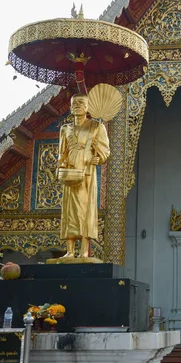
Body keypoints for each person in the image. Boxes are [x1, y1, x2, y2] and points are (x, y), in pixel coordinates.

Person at [57, 94, 110, 259]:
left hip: (86, 174)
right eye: (74, 103)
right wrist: (61, 164)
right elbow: (62, 153)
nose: (77, 106)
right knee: (69, 211)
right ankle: (70, 250)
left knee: (85, 210)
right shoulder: (65, 129)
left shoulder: (96, 127)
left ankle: (84, 251)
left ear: (88, 107)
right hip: (70, 173)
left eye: (81, 103)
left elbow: (105, 150)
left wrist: (99, 158)